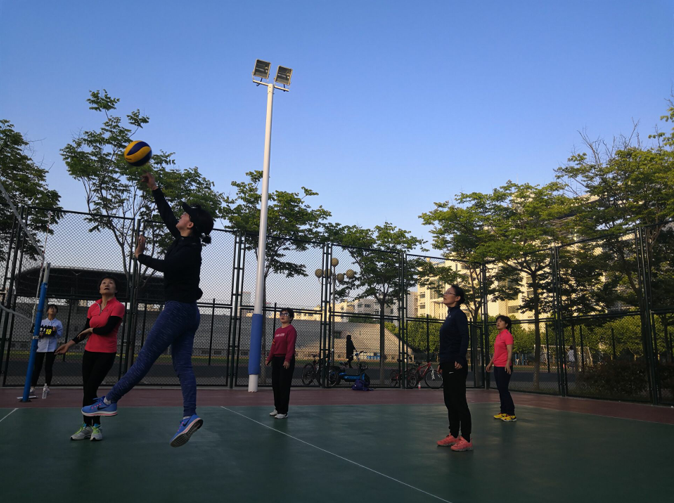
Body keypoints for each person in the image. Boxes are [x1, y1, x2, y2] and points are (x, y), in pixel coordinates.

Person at [80, 172, 214, 447]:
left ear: (190, 224)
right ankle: (189, 415)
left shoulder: (191, 249)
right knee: (183, 366)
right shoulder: (184, 240)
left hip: (178, 311)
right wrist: (155, 188)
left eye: (185, 214)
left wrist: (141, 256)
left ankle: (109, 400)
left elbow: (168, 267)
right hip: (189, 312)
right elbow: (167, 215)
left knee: (144, 359)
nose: (180, 215)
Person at [55, 277, 125, 441]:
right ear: (99, 288)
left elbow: (107, 329)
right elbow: (85, 330)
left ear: (116, 290)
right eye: (103, 283)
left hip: (106, 353)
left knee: (91, 387)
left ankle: (96, 427)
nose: (107, 284)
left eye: (111, 283)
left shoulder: (118, 306)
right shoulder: (93, 307)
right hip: (89, 352)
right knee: (87, 389)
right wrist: (69, 344)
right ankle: (87, 426)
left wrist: (91, 330)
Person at [436, 285, 473, 452]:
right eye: (445, 292)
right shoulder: (450, 315)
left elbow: (465, 337)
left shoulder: (459, 315)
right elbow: (448, 342)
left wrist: (460, 357)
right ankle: (453, 434)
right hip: (447, 362)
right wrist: (442, 362)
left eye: (448, 293)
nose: (445, 294)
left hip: (456, 363)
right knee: (449, 401)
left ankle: (466, 438)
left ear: (457, 298)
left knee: (458, 401)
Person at [265, 308, 297, 420]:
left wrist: (287, 360)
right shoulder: (278, 331)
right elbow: (273, 346)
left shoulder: (291, 330)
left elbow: (290, 346)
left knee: (284, 385)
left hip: (285, 359)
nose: (282, 316)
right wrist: (269, 358)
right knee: (276, 384)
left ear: (291, 317)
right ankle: (277, 408)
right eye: (281, 314)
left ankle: (283, 411)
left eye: (286, 314)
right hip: (276, 359)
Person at [486, 315, 516, 422]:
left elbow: (509, 351)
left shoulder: (507, 335)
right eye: (497, 321)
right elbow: (496, 352)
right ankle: (503, 411)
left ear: (506, 324)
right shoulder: (498, 336)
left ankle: (511, 414)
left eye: (500, 321)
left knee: (504, 389)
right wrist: (490, 363)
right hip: (497, 366)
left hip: (504, 366)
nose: (498, 323)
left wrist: (508, 363)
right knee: (500, 389)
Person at [30, 304, 63, 397]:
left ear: (56, 311)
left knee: (48, 368)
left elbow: (59, 335)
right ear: (47, 311)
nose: (52, 309)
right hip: (40, 347)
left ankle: (47, 386)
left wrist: (55, 331)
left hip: (51, 348)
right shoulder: (41, 322)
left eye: (54, 308)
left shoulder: (58, 323)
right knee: (37, 367)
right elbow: (35, 332)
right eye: (50, 308)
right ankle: (32, 387)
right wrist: (39, 334)